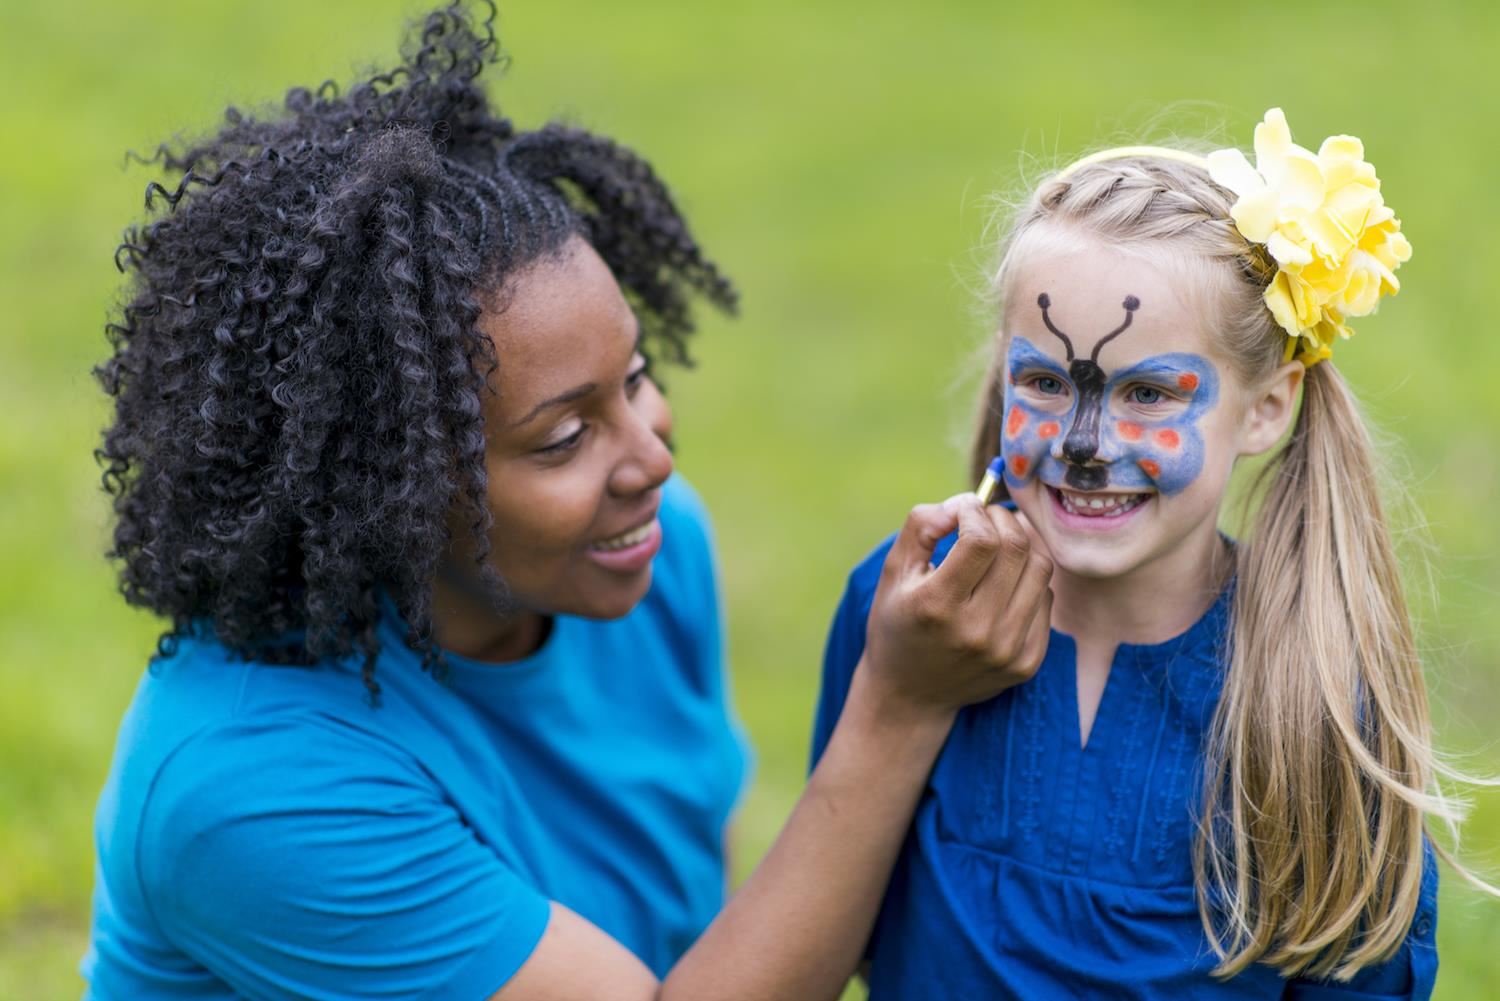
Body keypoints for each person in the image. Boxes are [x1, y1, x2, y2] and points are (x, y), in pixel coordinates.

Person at [85, 4, 1054, 999]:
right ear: (390, 491)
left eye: (633, 379)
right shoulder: (250, 785)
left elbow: (699, 926)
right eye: (563, 437)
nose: (652, 457)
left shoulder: (653, 552)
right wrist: (898, 706)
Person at [813, 109, 1489, 998]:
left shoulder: (1314, 690)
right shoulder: (907, 607)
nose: (1087, 444)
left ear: (1265, 407)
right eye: (1047, 382)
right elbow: (826, 917)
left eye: (1147, 392)